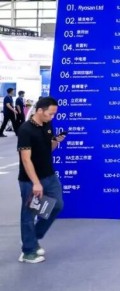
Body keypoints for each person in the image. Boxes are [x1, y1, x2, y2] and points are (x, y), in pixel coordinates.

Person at [17, 96, 65, 263]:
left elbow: (47, 148)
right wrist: (36, 183)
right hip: (30, 180)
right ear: (39, 111)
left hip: (49, 175)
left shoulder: (48, 125)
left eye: (54, 114)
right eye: (50, 114)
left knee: (57, 205)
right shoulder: (25, 130)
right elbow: (25, 159)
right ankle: (28, 252)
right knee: (28, 214)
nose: (52, 117)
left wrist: (56, 141)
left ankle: (31, 238)